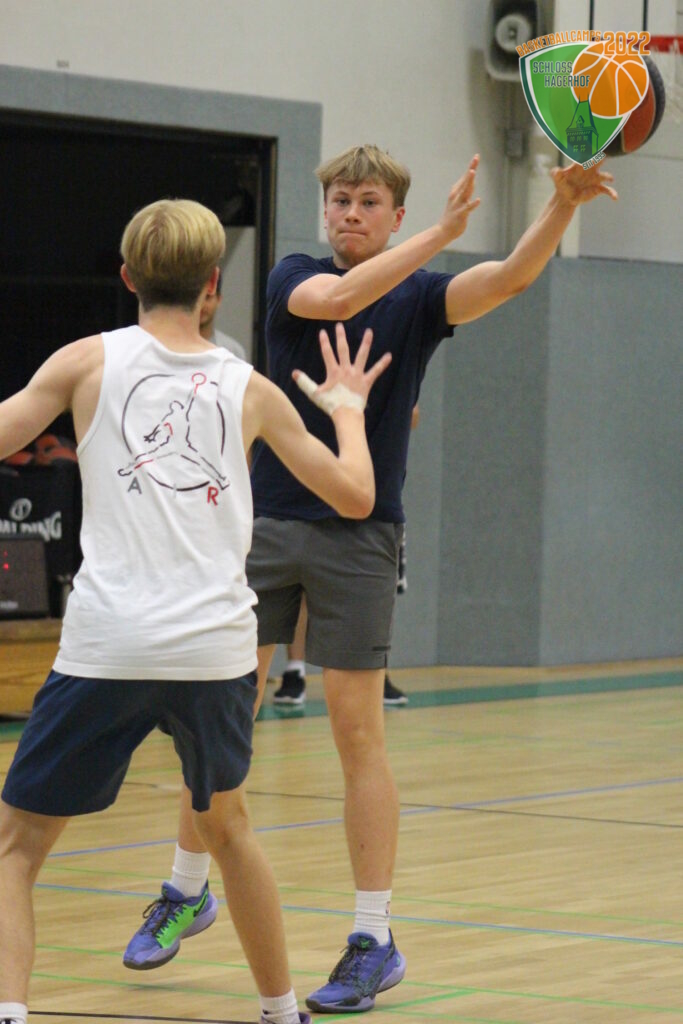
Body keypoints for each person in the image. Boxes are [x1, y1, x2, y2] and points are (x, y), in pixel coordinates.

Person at [124, 147, 618, 1014]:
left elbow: (507, 278)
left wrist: (562, 207)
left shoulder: (422, 299)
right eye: (340, 201)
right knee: (221, 712)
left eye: (367, 202)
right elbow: (341, 300)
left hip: (360, 533)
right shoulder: (295, 275)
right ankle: (185, 889)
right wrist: (443, 233)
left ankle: (372, 938)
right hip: (263, 526)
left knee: (357, 732)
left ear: (393, 215)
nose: (349, 213)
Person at [0, 196, 392, 1024]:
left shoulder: (83, 362)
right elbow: (356, 496)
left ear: (127, 277)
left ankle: (10, 1012)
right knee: (229, 830)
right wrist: (349, 413)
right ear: (213, 284)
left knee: (16, 849)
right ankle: (279, 1012)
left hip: (109, 646)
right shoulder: (250, 389)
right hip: (214, 653)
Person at [199, 267, 249, 360]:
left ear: (218, 300)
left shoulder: (233, 352)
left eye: (207, 297)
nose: (202, 305)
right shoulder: (172, 347)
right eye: (197, 299)